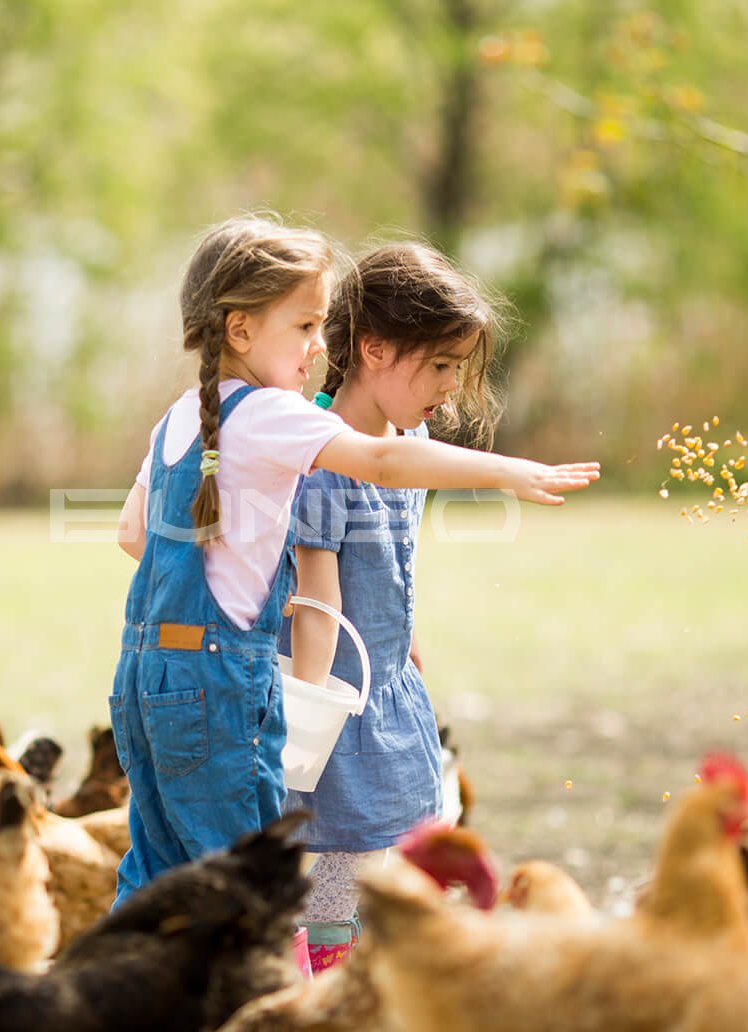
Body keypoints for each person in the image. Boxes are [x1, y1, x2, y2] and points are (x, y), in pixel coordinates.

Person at [110, 215, 598, 905]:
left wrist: (240, 569)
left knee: (154, 875)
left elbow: (134, 533)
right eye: (305, 326)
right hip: (219, 686)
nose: (319, 343)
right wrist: (504, 471)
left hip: (145, 678)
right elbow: (382, 460)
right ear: (241, 330)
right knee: (254, 892)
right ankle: (282, 1001)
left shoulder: (182, 415)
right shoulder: (271, 413)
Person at [279, 241, 503, 970]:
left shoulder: (413, 441)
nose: (448, 386)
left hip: (390, 688)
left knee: (395, 861)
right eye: (438, 365)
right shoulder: (322, 463)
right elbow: (317, 604)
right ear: (374, 349)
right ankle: (326, 989)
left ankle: (375, 981)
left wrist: (405, 642)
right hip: (338, 705)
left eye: (454, 368)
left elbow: (395, 563)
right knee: (337, 870)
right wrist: (301, 731)